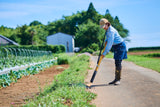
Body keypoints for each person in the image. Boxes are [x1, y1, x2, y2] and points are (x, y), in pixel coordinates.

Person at [99, 18, 127, 85]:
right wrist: (105, 41)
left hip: (120, 46)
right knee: (116, 62)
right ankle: (116, 79)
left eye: (103, 26)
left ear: (107, 24)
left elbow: (110, 44)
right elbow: (108, 39)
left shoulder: (111, 31)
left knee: (118, 62)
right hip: (116, 46)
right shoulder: (107, 30)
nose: (103, 28)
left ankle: (118, 80)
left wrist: (104, 53)